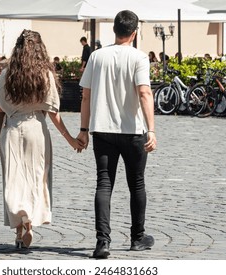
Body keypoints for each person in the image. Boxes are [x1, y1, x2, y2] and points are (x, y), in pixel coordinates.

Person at [77, 10, 157, 259]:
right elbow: (144, 93)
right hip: (132, 130)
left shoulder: (96, 56)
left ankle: (102, 241)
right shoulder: (139, 57)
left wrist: (83, 129)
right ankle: (137, 237)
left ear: (114, 29)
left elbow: (86, 96)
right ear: (134, 33)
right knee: (137, 184)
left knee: (104, 183)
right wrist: (151, 129)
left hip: (101, 129)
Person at [0, 29, 84, 249]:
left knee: (14, 179)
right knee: (35, 178)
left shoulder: (8, 74)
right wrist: (71, 139)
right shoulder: (45, 74)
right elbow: (54, 112)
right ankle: (28, 222)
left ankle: (20, 225)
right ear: (40, 49)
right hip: (37, 129)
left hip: (13, 128)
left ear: (17, 48)